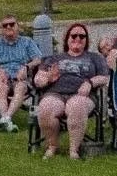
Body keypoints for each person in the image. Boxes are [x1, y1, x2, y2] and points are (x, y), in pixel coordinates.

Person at [32, 24, 109, 160]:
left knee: (76, 106)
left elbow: (104, 77)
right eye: (74, 35)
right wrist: (48, 79)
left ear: (86, 40)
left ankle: (74, 150)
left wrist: (89, 83)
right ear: (67, 38)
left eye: (82, 36)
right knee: (46, 107)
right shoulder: (54, 58)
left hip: (82, 95)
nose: (77, 38)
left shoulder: (94, 58)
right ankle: (52, 146)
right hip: (55, 93)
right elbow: (38, 79)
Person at [0, 17, 43, 133]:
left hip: (21, 77)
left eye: (11, 24)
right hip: (4, 77)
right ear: (2, 29)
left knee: (20, 87)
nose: (8, 27)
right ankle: (7, 119)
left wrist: (26, 67)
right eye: (5, 25)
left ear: (17, 26)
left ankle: (5, 118)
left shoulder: (27, 41)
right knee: (1, 87)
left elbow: (38, 59)